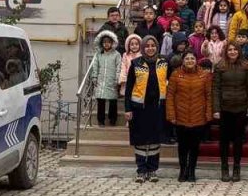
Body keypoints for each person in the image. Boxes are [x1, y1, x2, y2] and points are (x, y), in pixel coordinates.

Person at [124, 36, 168, 183]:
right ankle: (141, 170)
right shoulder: (135, 63)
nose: (150, 48)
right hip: (139, 108)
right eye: (147, 46)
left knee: (155, 140)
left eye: (153, 45)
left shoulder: (164, 62)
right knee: (141, 140)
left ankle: (153, 170)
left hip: (157, 108)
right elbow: (129, 87)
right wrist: (127, 109)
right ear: (143, 48)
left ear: (157, 47)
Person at [166, 52, 213, 183]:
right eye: (187, 58)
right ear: (183, 60)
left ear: (196, 60)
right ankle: (183, 170)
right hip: (180, 117)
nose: (190, 60)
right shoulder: (176, 74)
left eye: (192, 58)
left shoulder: (204, 75)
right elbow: (170, 96)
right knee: (182, 146)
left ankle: (192, 171)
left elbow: (209, 96)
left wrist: (208, 114)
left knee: (194, 146)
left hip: (198, 117)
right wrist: (171, 114)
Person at [212, 42, 248, 182]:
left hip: (241, 107)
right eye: (230, 49)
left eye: (235, 49)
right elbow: (216, 88)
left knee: (238, 140)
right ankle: (224, 168)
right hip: (224, 108)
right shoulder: (220, 66)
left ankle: (236, 167)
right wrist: (216, 108)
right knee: (224, 140)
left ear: (239, 51)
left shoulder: (246, 65)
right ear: (226, 51)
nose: (232, 51)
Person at [91, 30, 122, 126]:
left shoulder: (116, 54)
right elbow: (95, 66)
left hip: (112, 80)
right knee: (101, 100)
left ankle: (113, 120)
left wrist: (117, 78)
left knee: (113, 100)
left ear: (112, 43)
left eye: (108, 42)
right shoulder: (98, 54)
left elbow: (119, 66)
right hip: (101, 80)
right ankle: (101, 120)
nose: (106, 44)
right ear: (102, 43)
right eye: (104, 42)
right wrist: (94, 77)